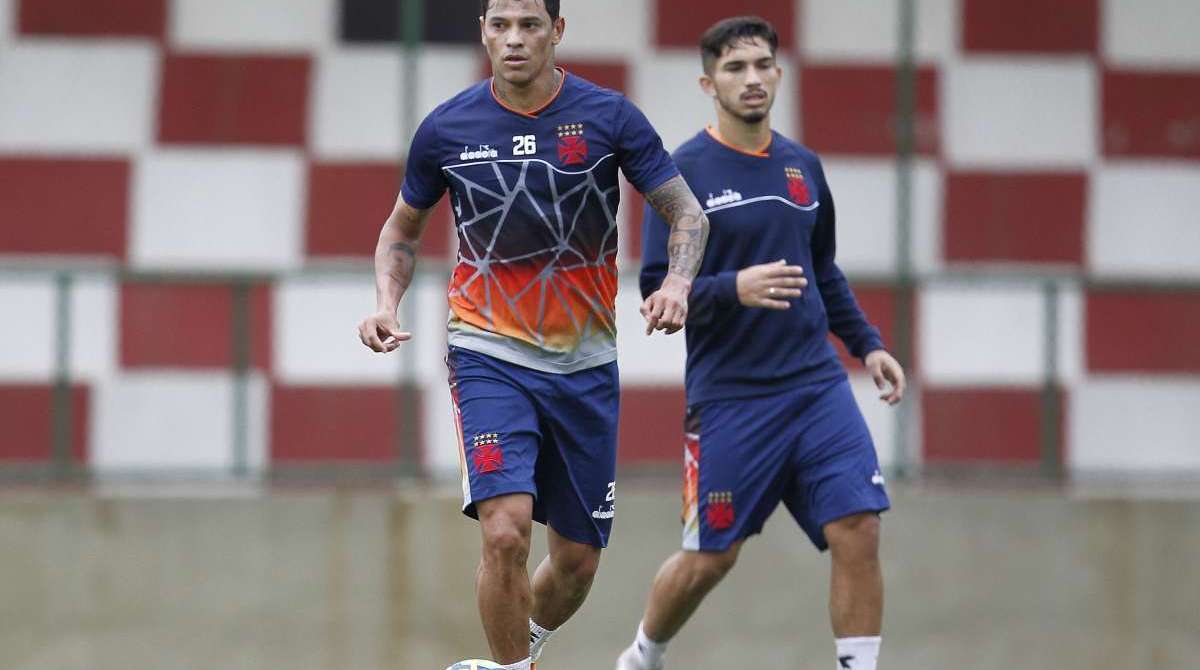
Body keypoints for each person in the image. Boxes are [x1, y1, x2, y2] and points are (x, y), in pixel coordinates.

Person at [357, 2, 711, 669]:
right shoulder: (447, 128)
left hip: (586, 361)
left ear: (557, 31)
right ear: (484, 31)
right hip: (488, 353)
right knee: (506, 532)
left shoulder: (609, 117)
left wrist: (678, 284)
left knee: (576, 562)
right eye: (500, 25)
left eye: (529, 25)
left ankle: (522, 648)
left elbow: (685, 212)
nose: (513, 39)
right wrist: (384, 301)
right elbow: (401, 231)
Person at [615, 16, 906, 670]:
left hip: (816, 387)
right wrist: (731, 287)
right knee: (711, 558)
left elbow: (821, 268)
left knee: (859, 526)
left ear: (778, 72)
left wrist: (868, 344)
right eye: (735, 68)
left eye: (762, 65)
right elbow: (659, 289)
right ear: (707, 82)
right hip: (732, 399)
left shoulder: (803, 166)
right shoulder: (680, 172)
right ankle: (641, 656)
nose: (751, 79)